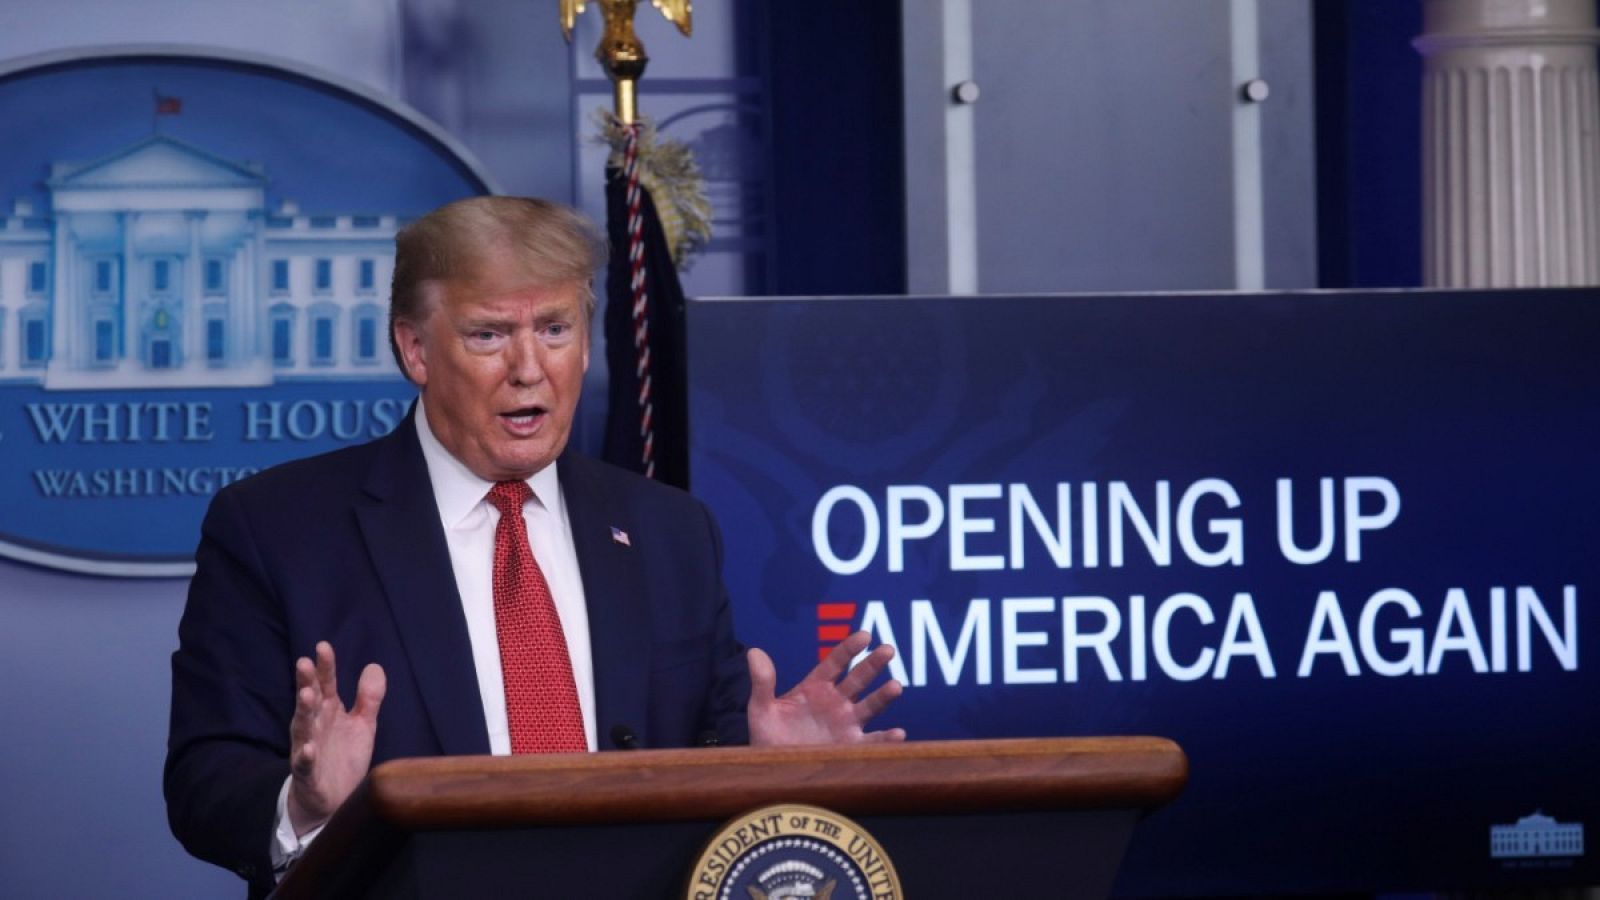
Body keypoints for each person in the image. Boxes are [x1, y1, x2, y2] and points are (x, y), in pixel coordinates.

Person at [164, 196, 904, 897]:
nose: (529, 367)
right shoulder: (277, 528)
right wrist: (308, 801)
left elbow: (702, 748)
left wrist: (767, 769)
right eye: (488, 334)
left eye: (555, 329)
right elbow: (205, 779)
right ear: (414, 349)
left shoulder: (668, 529)